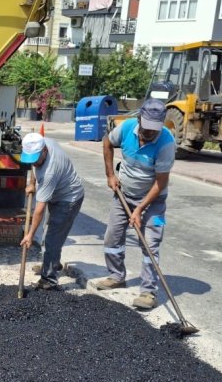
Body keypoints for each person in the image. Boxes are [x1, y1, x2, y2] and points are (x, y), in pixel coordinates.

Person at [91, 99, 176, 310]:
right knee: (113, 235)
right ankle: (116, 275)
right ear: (139, 119)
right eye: (147, 128)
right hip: (123, 194)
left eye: (155, 129)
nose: (151, 133)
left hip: (153, 200)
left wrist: (139, 209)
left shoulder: (166, 143)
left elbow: (160, 182)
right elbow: (107, 143)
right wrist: (110, 175)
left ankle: (148, 292)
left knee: (150, 244)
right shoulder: (127, 128)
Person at [19, 132, 85, 290]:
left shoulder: (50, 171)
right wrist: (32, 183)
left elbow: (39, 209)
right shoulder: (43, 142)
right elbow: (35, 166)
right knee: (49, 232)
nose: (33, 163)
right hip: (57, 193)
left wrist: (29, 235)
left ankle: (49, 280)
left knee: (52, 238)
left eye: (36, 159)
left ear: (44, 151)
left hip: (69, 199)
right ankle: (50, 264)